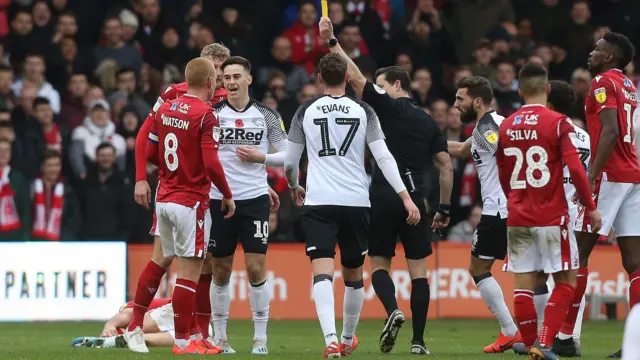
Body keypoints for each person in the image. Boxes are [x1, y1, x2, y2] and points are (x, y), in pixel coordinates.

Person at [319, 16, 452, 355]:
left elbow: (353, 75)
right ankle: (419, 342)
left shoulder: (386, 106)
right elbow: (446, 164)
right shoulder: (427, 121)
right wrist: (444, 208)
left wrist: (332, 43)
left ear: (395, 85)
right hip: (416, 199)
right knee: (419, 271)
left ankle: (392, 309)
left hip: (383, 194)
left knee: (378, 263)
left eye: (381, 85)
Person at [284, 52, 421, 358]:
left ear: (319, 79)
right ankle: (347, 340)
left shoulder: (305, 111)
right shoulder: (364, 111)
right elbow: (383, 157)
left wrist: (294, 186)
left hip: (319, 200)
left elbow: (291, 161)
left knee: (322, 271)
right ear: (347, 78)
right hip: (356, 201)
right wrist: (405, 195)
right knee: (353, 276)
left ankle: (330, 340)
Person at [496, 63, 601, 359]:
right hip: (552, 215)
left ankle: (529, 344)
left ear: (519, 90)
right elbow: (578, 172)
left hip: (518, 214)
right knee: (567, 280)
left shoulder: (507, 124)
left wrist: (514, 200)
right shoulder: (558, 123)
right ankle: (544, 343)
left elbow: (503, 175)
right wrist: (591, 208)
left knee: (523, 284)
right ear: (547, 90)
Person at [133, 57, 234, 355]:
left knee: (165, 261)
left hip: (165, 197)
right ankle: (183, 341)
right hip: (191, 201)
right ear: (210, 81)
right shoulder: (206, 114)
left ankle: (188, 335)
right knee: (190, 271)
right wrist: (227, 194)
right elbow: (212, 163)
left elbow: (150, 145)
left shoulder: (166, 106)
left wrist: (166, 172)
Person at [564, 32, 639, 360]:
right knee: (636, 263)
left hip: (609, 175)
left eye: (598, 49)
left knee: (577, 251)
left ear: (609, 57)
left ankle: (565, 336)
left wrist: (589, 177)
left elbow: (609, 131)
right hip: (634, 175)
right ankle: (636, 343)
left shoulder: (600, 83)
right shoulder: (630, 86)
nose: (592, 52)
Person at [208, 56, 288, 355]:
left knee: (256, 268)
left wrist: (261, 159)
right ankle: (221, 337)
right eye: (226, 77)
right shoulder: (212, 114)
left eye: (236, 76)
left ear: (249, 79)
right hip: (219, 199)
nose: (230, 82)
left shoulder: (267, 115)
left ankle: (260, 338)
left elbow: (289, 154)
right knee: (221, 270)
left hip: (254, 198)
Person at [447, 76, 521, 353]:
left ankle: (511, 331)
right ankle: (537, 334)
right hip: (512, 209)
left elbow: (504, 153)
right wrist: (425, 143)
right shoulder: (489, 125)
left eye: (460, 99)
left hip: (499, 211)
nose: (455, 105)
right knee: (532, 272)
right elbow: (463, 149)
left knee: (479, 269)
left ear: (477, 101)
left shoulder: (487, 128)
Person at [521, 80, 590, 357]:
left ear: (548, 104)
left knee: (537, 276)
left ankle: (539, 340)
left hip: (546, 212)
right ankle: (569, 336)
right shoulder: (584, 135)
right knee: (571, 276)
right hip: (576, 214)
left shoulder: (545, 131)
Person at [71, 299, 215, 349]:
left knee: (138, 326)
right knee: (198, 334)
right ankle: (127, 340)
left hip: (176, 311)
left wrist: (109, 324)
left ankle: (126, 338)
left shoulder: (129, 307)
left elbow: (128, 312)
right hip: (184, 317)